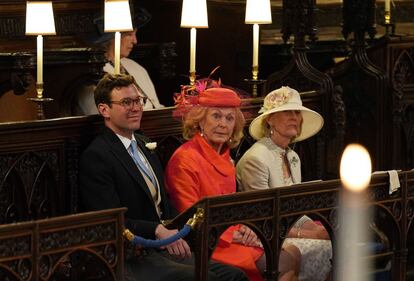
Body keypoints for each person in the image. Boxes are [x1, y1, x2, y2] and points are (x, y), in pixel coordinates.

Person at [79, 73, 248, 281]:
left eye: (138, 100)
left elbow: (164, 204)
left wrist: (177, 231)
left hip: (164, 246)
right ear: (104, 109)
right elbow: (107, 219)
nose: (135, 107)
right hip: (132, 254)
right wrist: (157, 230)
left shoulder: (143, 144)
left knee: (234, 276)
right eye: (126, 102)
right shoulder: (98, 155)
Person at [165, 82, 301, 281]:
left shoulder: (225, 156)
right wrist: (234, 234)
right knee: (285, 261)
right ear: (201, 121)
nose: (223, 124)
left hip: (231, 233)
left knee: (293, 254)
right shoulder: (185, 159)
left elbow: (234, 206)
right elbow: (191, 217)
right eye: (216, 116)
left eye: (229, 118)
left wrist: (248, 226)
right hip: (206, 241)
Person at [237, 86, 332, 281]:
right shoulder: (256, 158)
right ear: (269, 119)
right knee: (325, 245)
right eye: (287, 111)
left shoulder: (292, 155)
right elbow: (263, 216)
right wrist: (307, 234)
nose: (294, 117)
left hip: (283, 227)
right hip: (261, 235)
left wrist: (315, 229)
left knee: (333, 238)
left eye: (297, 112)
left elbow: (293, 207)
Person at [74, 7, 163, 115]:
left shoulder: (135, 67)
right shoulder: (93, 73)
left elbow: (157, 106)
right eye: (129, 35)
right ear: (112, 38)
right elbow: (100, 115)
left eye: (135, 34)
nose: (135, 41)